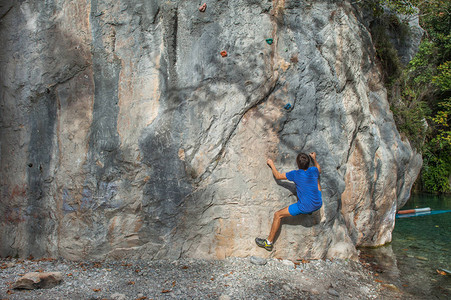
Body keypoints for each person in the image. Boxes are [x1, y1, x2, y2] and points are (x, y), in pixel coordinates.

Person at [255, 152, 322, 251]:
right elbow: (319, 169)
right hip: (318, 203)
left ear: (297, 164)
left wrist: (271, 163)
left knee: (278, 215)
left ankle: (268, 242)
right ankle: (310, 210)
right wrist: (314, 158)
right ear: (308, 163)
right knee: (316, 181)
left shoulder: (295, 174)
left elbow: (278, 176)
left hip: (305, 206)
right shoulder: (313, 170)